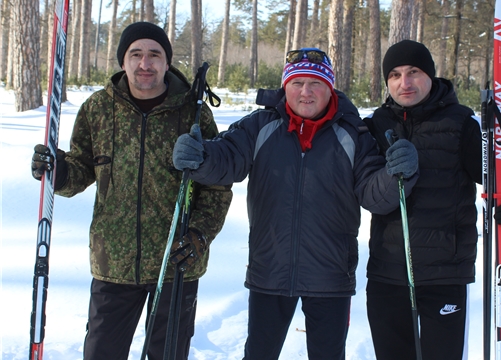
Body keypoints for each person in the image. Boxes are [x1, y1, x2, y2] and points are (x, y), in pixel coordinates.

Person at [171, 48, 419, 360]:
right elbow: (227, 159)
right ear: (285, 86)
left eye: (315, 83)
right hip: (269, 270)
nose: (305, 92)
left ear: (329, 89)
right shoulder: (260, 126)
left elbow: (375, 194)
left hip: (331, 275)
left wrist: (397, 173)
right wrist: (200, 157)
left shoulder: (354, 134)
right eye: (297, 82)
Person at [30, 22, 232, 360]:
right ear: (123, 61)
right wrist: (58, 171)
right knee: (101, 352)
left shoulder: (193, 113)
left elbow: (216, 184)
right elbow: (80, 173)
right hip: (114, 261)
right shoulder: (98, 109)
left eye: (154, 55)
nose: (145, 64)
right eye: (135, 54)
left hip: (176, 262)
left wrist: (199, 234)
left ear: (167, 62)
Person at [363, 39, 501, 360]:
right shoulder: (375, 125)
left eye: (414, 72)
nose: (405, 82)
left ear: (430, 75)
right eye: (395, 75)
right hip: (387, 272)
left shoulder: (459, 124)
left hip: (444, 273)